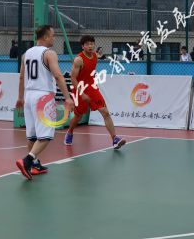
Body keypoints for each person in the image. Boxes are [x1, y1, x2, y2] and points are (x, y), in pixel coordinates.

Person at [15, 25, 75, 180]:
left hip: (29, 95)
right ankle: (27, 161)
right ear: (46, 37)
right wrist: (68, 98)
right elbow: (58, 76)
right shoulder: (49, 53)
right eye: (53, 35)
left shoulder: (26, 54)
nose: (54, 38)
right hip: (43, 97)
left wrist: (20, 98)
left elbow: (21, 77)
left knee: (32, 136)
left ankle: (35, 165)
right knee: (46, 136)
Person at [64, 35, 126, 149]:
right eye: (87, 44)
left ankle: (115, 139)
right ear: (82, 46)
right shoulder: (79, 60)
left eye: (92, 44)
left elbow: (100, 56)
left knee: (105, 112)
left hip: (92, 88)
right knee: (78, 116)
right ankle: (70, 132)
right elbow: (73, 78)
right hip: (79, 89)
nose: (90, 46)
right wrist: (82, 93)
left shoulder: (95, 55)